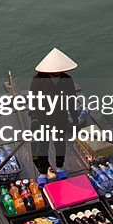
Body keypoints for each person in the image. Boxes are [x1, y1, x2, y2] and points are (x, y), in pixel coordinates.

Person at [29, 47, 79, 186]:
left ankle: (59, 167)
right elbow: (33, 100)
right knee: (42, 146)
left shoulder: (67, 80)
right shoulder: (38, 79)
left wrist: (74, 119)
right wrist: (34, 118)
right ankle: (43, 172)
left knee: (60, 143)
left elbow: (72, 100)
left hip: (60, 117)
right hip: (42, 118)